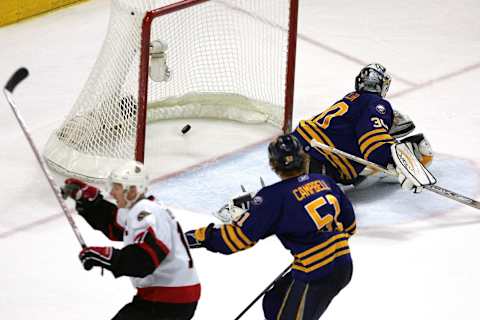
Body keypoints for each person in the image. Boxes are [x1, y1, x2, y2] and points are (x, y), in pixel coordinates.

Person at [185, 134, 356, 320]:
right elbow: (350, 225)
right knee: (274, 302)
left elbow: (236, 239)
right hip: (342, 263)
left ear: (273, 165)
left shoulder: (272, 197)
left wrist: (198, 237)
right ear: (303, 157)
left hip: (318, 273)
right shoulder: (324, 181)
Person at [62, 161, 200, 320]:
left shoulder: (148, 214)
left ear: (133, 190)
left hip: (168, 300)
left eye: (117, 187)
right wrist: (89, 201)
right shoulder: (140, 209)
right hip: (165, 296)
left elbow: (145, 260)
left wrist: (108, 256)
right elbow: (114, 225)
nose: (112, 192)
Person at [292, 63, 433, 190]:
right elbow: (375, 145)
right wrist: (399, 164)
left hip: (293, 144)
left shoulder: (351, 98)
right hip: (317, 157)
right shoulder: (377, 104)